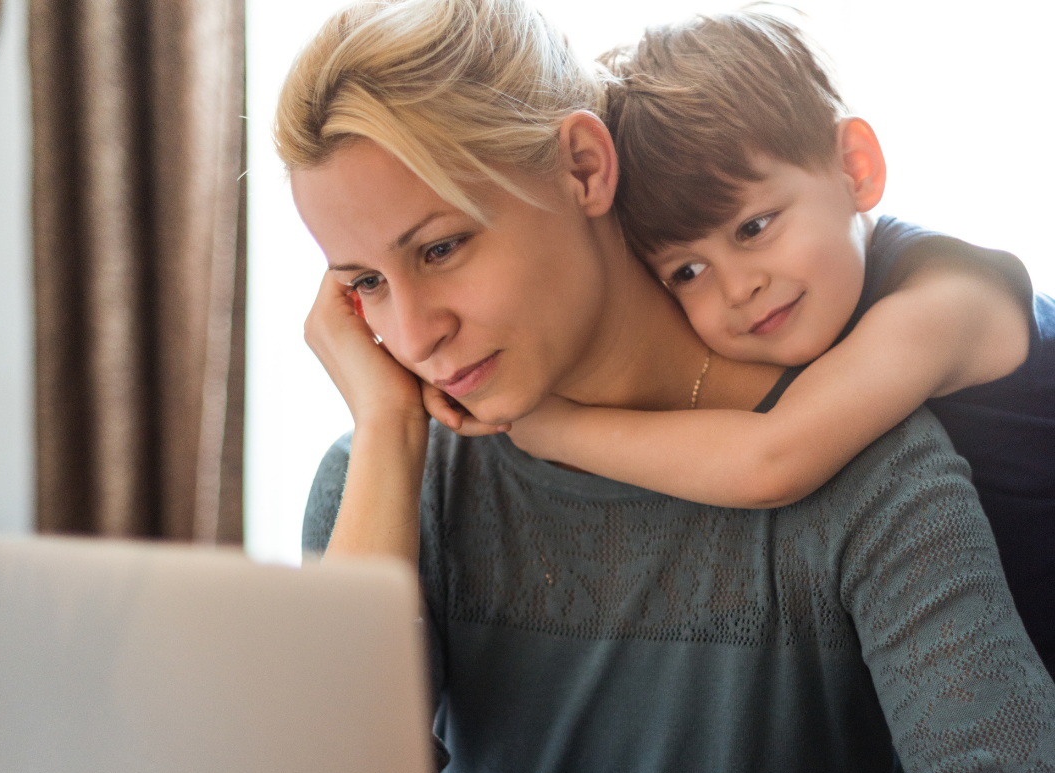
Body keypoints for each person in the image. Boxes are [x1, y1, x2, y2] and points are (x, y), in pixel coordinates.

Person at [279, 0, 1055, 773]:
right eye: (364, 284)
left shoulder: (866, 462)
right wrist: (381, 435)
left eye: (443, 248)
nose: (415, 333)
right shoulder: (387, 475)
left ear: (585, 169)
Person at [446, 12, 1055, 673]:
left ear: (856, 168)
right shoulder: (810, 310)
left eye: (754, 227)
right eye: (687, 270)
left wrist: (546, 428)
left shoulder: (946, 299)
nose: (737, 289)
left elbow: (772, 462)